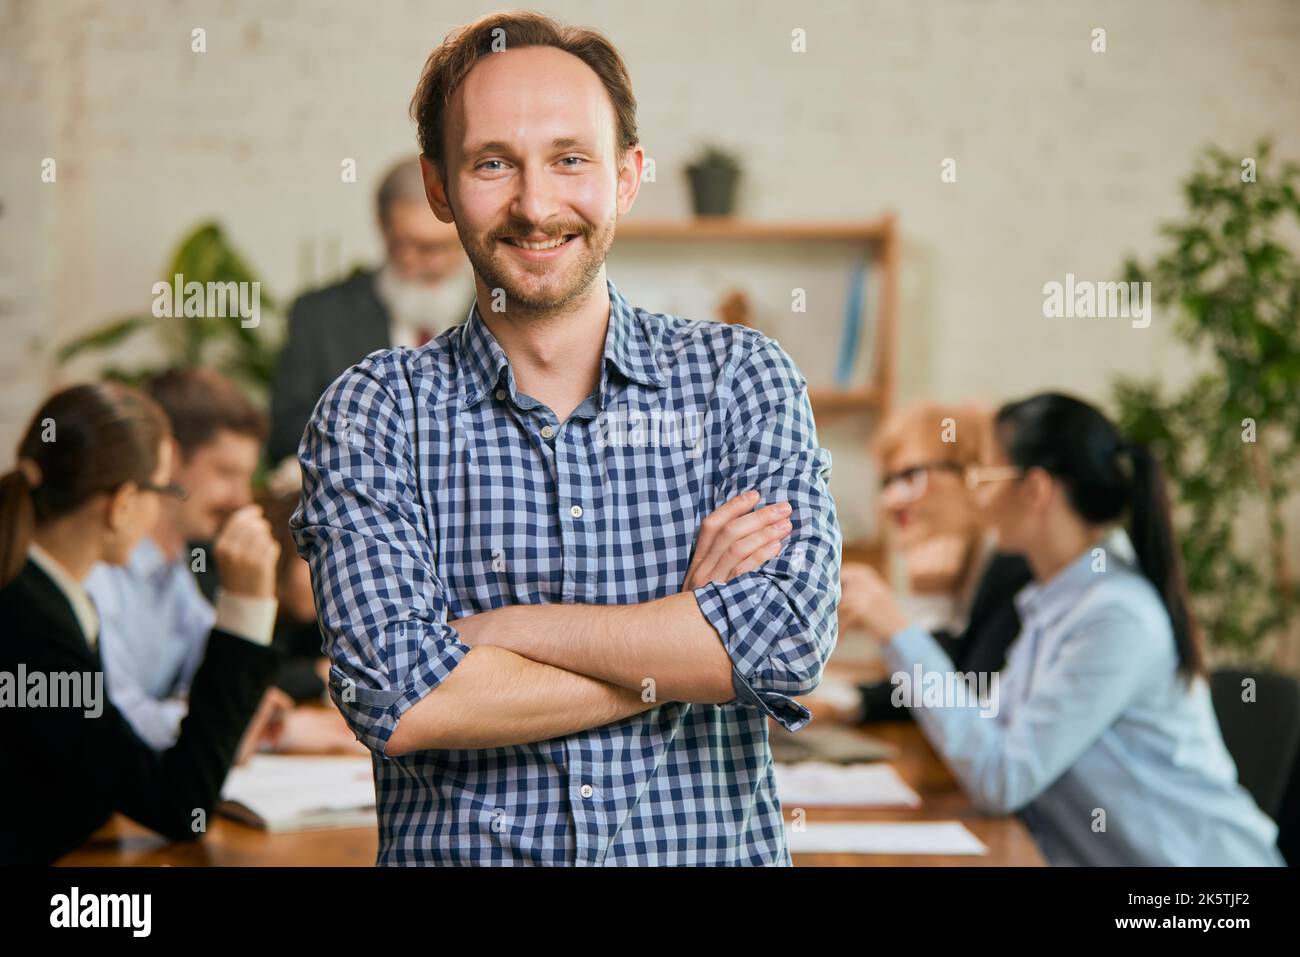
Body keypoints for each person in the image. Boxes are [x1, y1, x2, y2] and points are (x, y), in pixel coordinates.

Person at [292, 11, 841, 866]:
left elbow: (782, 641)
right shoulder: (372, 412)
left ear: (628, 176)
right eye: (493, 164)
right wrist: (682, 635)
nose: (537, 205)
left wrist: (498, 630)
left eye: (570, 158)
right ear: (439, 187)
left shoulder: (742, 379)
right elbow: (400, 695)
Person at [849, 392, 1284, 866]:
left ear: (1035, 490)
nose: (977, 495)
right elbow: (987, 730)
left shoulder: (1116, 616)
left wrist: (898, 631)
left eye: (985, 477)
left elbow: (1003, 778)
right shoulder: (1056, 600)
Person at [0, 383, 280, 865]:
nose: (162, 510)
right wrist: (245, 608)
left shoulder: (41, 601)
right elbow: (178, 805)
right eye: (162, 489)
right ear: (124, 502)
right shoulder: (35, 632)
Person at [85, 369, 273, 750]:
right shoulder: (100, 570)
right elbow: (119, 719)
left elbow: (213, 678)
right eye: (225, 473)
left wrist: (267, 723)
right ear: (168, 458)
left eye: (246, 477)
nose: (242, 499)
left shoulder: (178, 565)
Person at [268, 157, 476, 464]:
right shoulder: (321, 316)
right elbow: (285, 434)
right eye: (416, 246)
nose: (434, 264)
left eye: (446, 246)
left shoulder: (503, 312)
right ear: (384, 229)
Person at [834, 402, 1030, 723]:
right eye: (887, 482)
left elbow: (966, 702)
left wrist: (929, 605)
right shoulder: (965, 565)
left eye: (912, 475)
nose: (890, 500)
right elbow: (924, 694)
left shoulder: (1014, 565)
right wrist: (848, 703)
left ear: (975, 474)